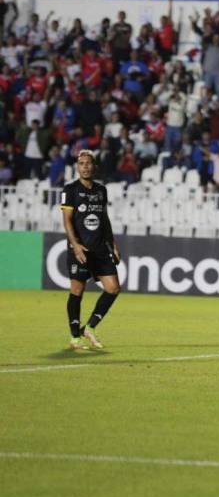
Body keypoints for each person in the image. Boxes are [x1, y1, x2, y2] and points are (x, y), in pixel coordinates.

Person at [60, 150, 120, 351]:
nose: (85, 166)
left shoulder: (101, 190)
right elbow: (67, 221)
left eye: (88, 163)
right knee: (77, 291)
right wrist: (75, 245)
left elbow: (105, 219)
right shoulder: (70, 190)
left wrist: (113, 244)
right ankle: (74, 337)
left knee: (113, 288)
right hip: (81, 249)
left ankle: (90, 327)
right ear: (77, 167)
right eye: (81, 163)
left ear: (94, 166)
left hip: (100, 249)